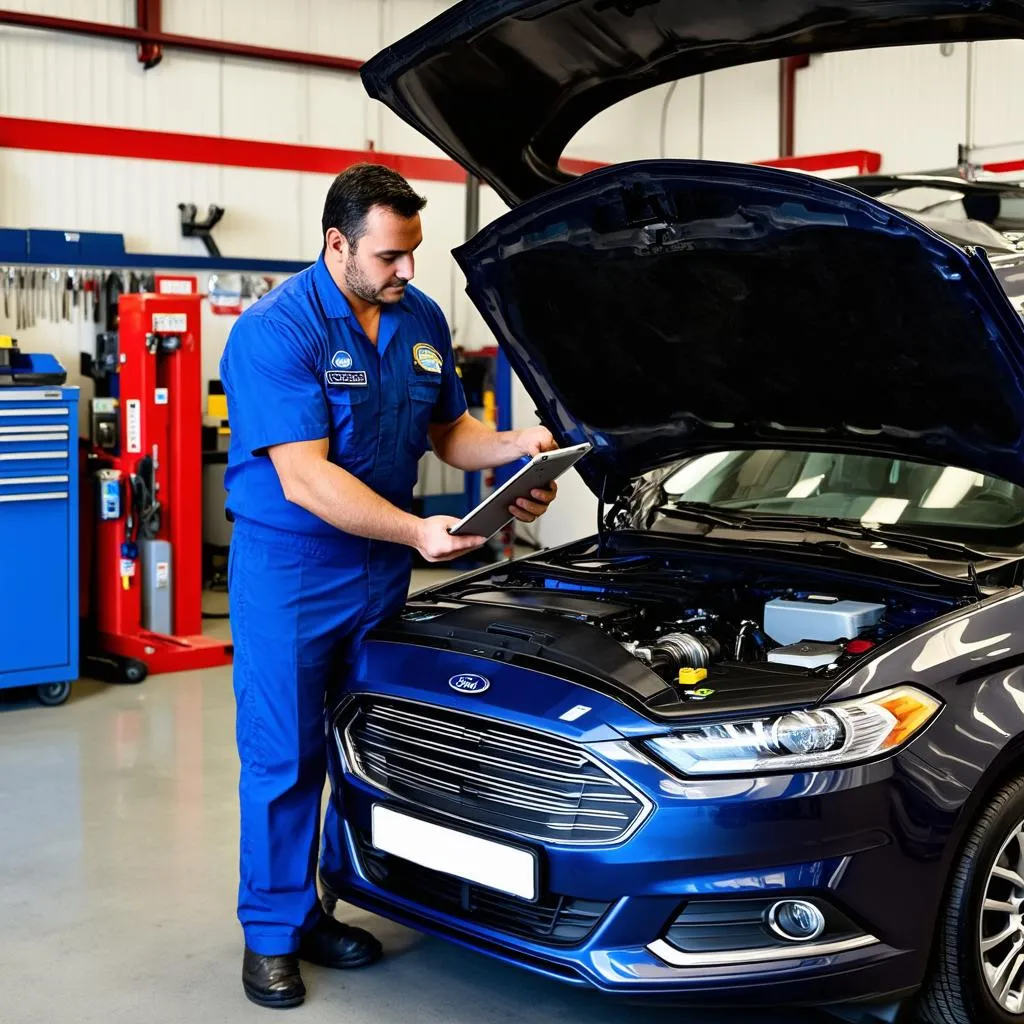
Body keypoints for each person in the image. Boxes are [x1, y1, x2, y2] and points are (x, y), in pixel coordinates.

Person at [219, 163, 559, 1009]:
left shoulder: (420, 319)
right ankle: (271, 935)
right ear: (337, 244)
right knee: (283, 755)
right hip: (293, 568)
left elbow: (448, 429)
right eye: (390, 256)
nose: (407, 271)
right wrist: (418, 531)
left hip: (379, 571)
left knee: (359, 746)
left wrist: (517, 448)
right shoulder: (277, 330)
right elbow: (305, 480)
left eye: (412, 253)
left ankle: (323, 905)